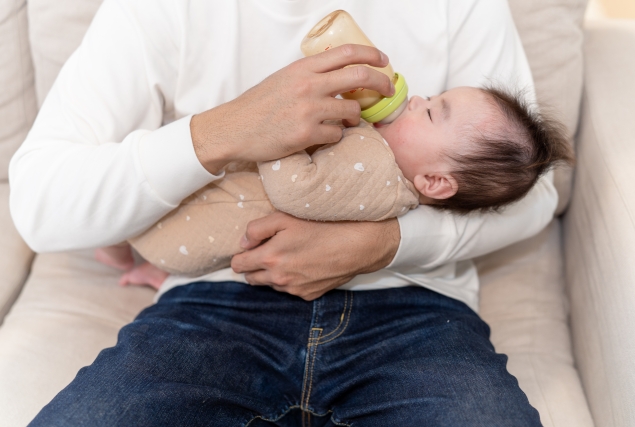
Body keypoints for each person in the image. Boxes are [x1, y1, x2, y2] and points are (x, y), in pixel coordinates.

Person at [9, 0, 556, 425]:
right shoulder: (161, 11)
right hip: (216, 300)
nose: (417, 102)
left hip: (415, 305)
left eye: (432, 107)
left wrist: (385, 244)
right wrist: (223, 131)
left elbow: (532, 191)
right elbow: (39, 206)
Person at [96, 86, 572, 290]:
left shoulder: (379, 174)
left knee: (127, 224)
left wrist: (276, 132)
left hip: (187, 230)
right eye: (434, 96)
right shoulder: (384, 160)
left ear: (433, 181)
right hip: (207, 219)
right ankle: (150, 268)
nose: (419, 98)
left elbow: (296, 193)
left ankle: (131, 256)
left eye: (431, 112)